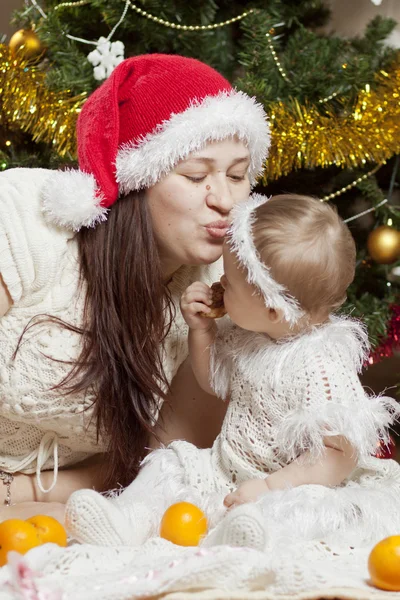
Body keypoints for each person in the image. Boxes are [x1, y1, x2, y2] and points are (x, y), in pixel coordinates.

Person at [0, 53, 270, 521]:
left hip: (57, 509)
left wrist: (25, 492)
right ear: (135, 180)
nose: (225, 201)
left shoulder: (219, 293)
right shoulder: (28, 216)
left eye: (237, 174)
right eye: (194, 176)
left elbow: (162, 462)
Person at [65, 194, 400, 550]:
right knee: (172, 464)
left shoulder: (321, 366)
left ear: (272, 310)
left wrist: (271, 488)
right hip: (228, 468)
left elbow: (339, 453)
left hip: (296, 484)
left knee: (302, 514)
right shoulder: (253, 335)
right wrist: (201, 332)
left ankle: (241, 538)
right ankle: (126, 520)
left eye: (232, 284)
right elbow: (214, 382)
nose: (220, 283)